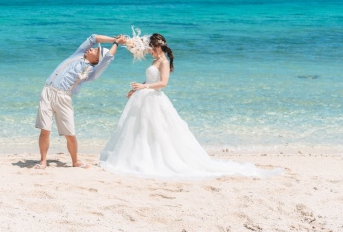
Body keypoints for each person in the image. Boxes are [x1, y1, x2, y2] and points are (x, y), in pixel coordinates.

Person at [99, 33, 281, 179]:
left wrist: (144, 87)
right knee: (140, 131)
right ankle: (137, 157)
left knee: (158, 132)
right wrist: (136, 89)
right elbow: (150, 79)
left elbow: (163, 83)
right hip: (144, 97)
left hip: (155, 98)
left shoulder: (164, 61)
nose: (149, 51)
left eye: (151, 48)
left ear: (158, 46)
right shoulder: (154, 61)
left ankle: (157, 160)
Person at [35, 32, 126, 169]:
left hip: (64, 98)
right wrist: (115, 39)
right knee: (45, 129)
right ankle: (43, 161)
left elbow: (108, 58)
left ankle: (75, 161)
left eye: (96, 50)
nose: (93, 48)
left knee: (70, 134)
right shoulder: (78, 53)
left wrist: (117, 44)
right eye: (95, 48)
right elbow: (93, 37)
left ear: (97, 60)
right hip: (48, 91)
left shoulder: (92, 72)